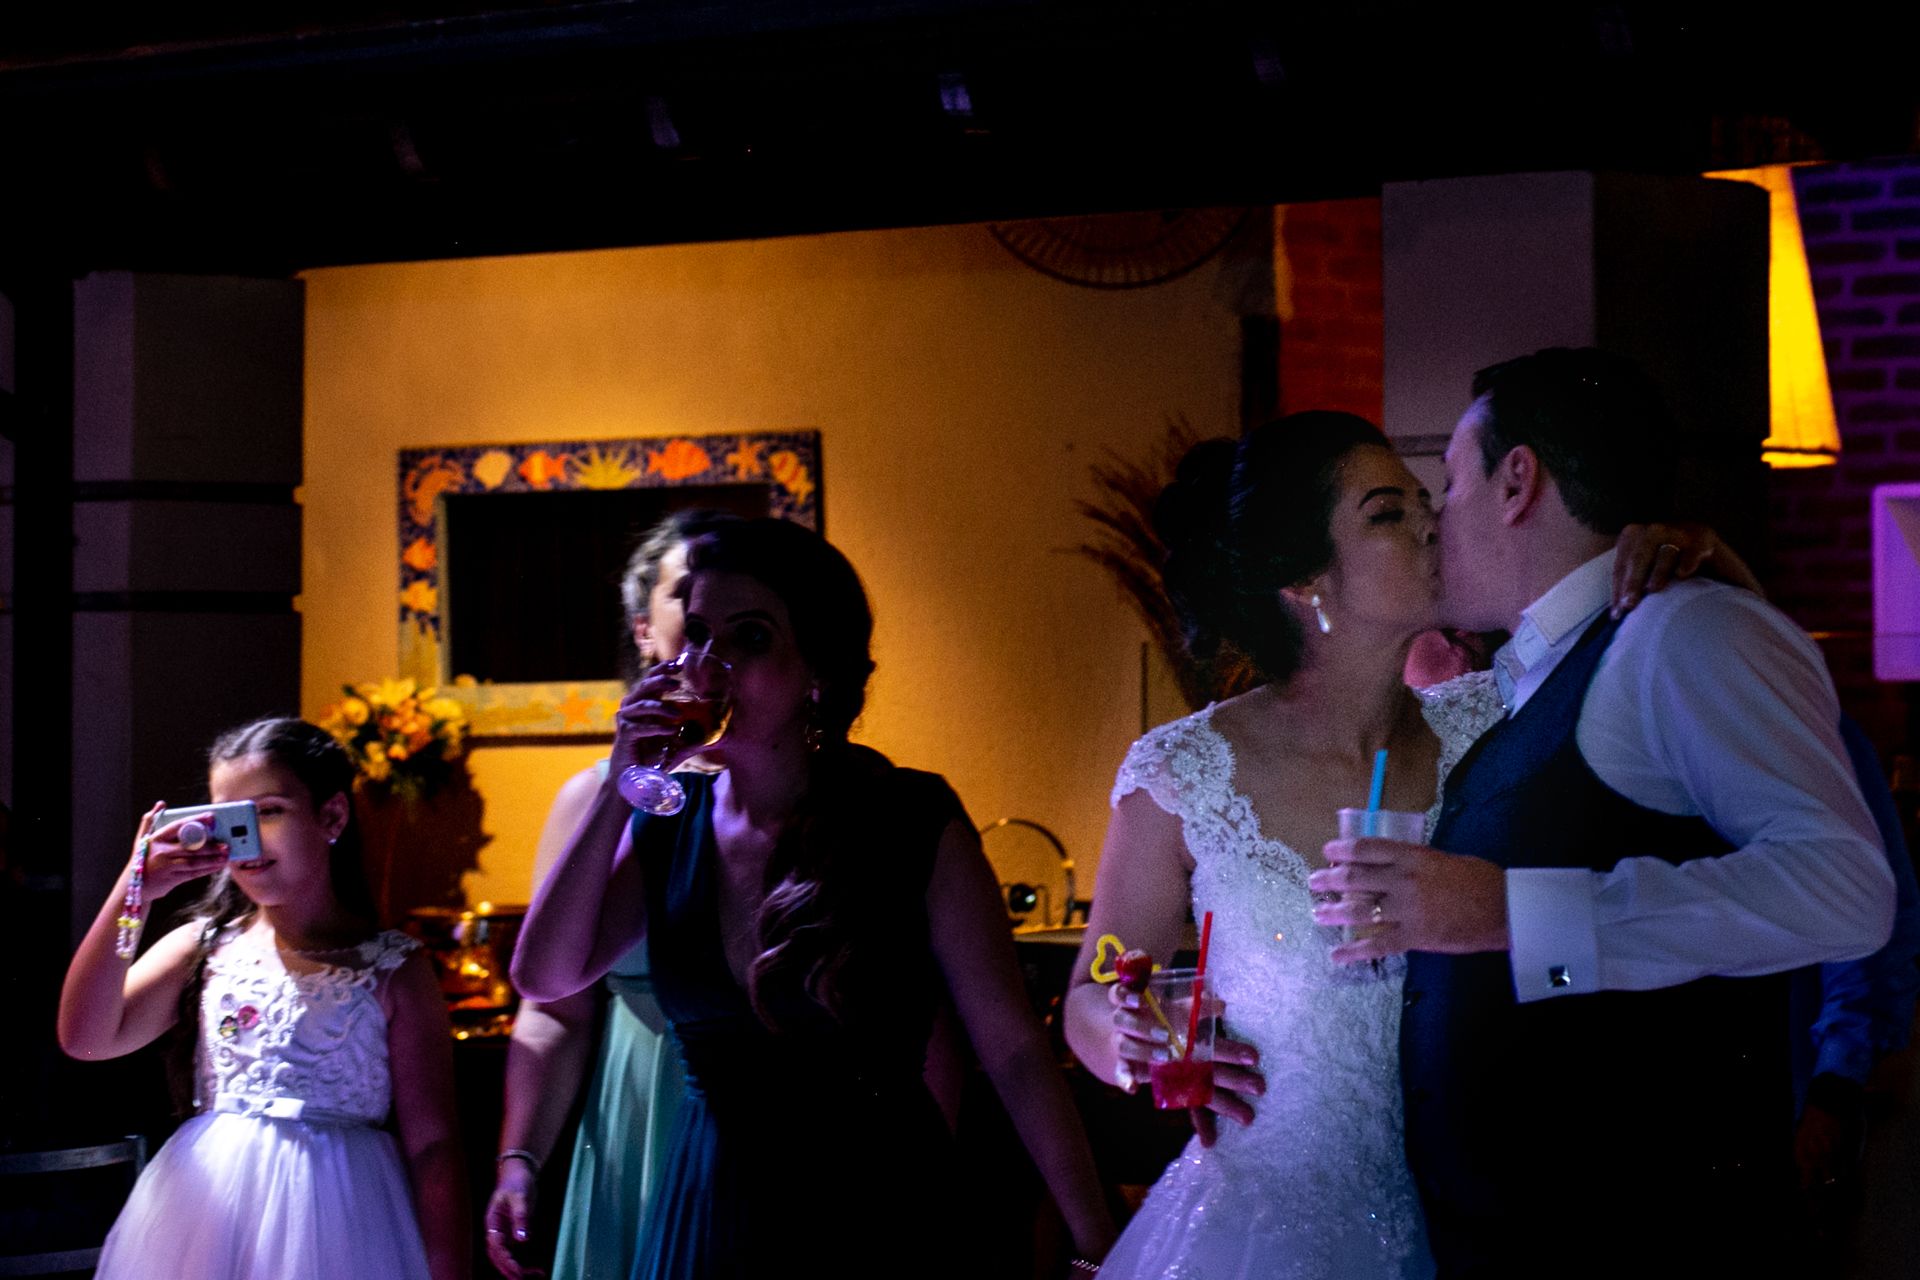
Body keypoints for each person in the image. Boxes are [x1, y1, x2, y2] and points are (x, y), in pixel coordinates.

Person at [1061, 411, 1719, 1279]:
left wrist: (1700, 556)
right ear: (1304, 578)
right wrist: (1130, 1037)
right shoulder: (1181, 774)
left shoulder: (1500, 722)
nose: (1432, 523)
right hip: (1262, 1236)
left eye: (1427, 500)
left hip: (1489, 1226)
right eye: (1387, 513)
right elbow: (1096, 986)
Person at [1311, 347, 1896, 1275]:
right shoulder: (1531, 673)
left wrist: (1511, 913)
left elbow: (1848, 891)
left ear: (1517, 481)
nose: (1436, 522)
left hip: (1651, 1238)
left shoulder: (1687, 629)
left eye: (1449, 485)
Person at [512, 517, 1116, 1279]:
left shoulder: (907, 817)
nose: (708, 665)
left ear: (818, 674)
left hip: (878, 1212)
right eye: (697, 634)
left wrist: (1100, 1239)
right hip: (708, 1208)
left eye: (750, 637)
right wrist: (619, 782)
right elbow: (545, 976)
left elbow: (1014, 1048)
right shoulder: (671, 825)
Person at [57, 717, 467, 1280]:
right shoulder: (202, 948)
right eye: (231, 817)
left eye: (269, 811)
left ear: (332, 816)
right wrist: (135, 892)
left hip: (344, 1225)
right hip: (208, 1218)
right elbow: (85, 1036)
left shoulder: (392, 968)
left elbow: (433, 1144)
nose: (247, 837)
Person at [485, 509, 727, 1280]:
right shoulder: (593, 799)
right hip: (637, 1096)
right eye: (688, 596)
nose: (708, 620)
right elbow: (553, 1004)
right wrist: (519, 1157)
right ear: (642, 627)